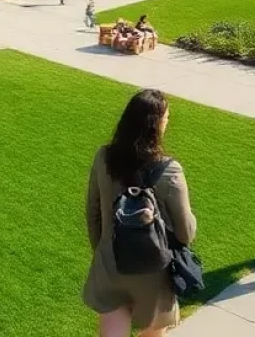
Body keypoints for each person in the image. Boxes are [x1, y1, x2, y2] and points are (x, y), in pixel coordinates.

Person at [83, 89, 196, 337]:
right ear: (155, 125)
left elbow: (93, 213)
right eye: (166, 118)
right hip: (152, 270)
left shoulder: (103, 158)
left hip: (111, 263)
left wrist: (102, 249)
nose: (168, 122)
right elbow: (186, 232)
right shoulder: (169, 170)